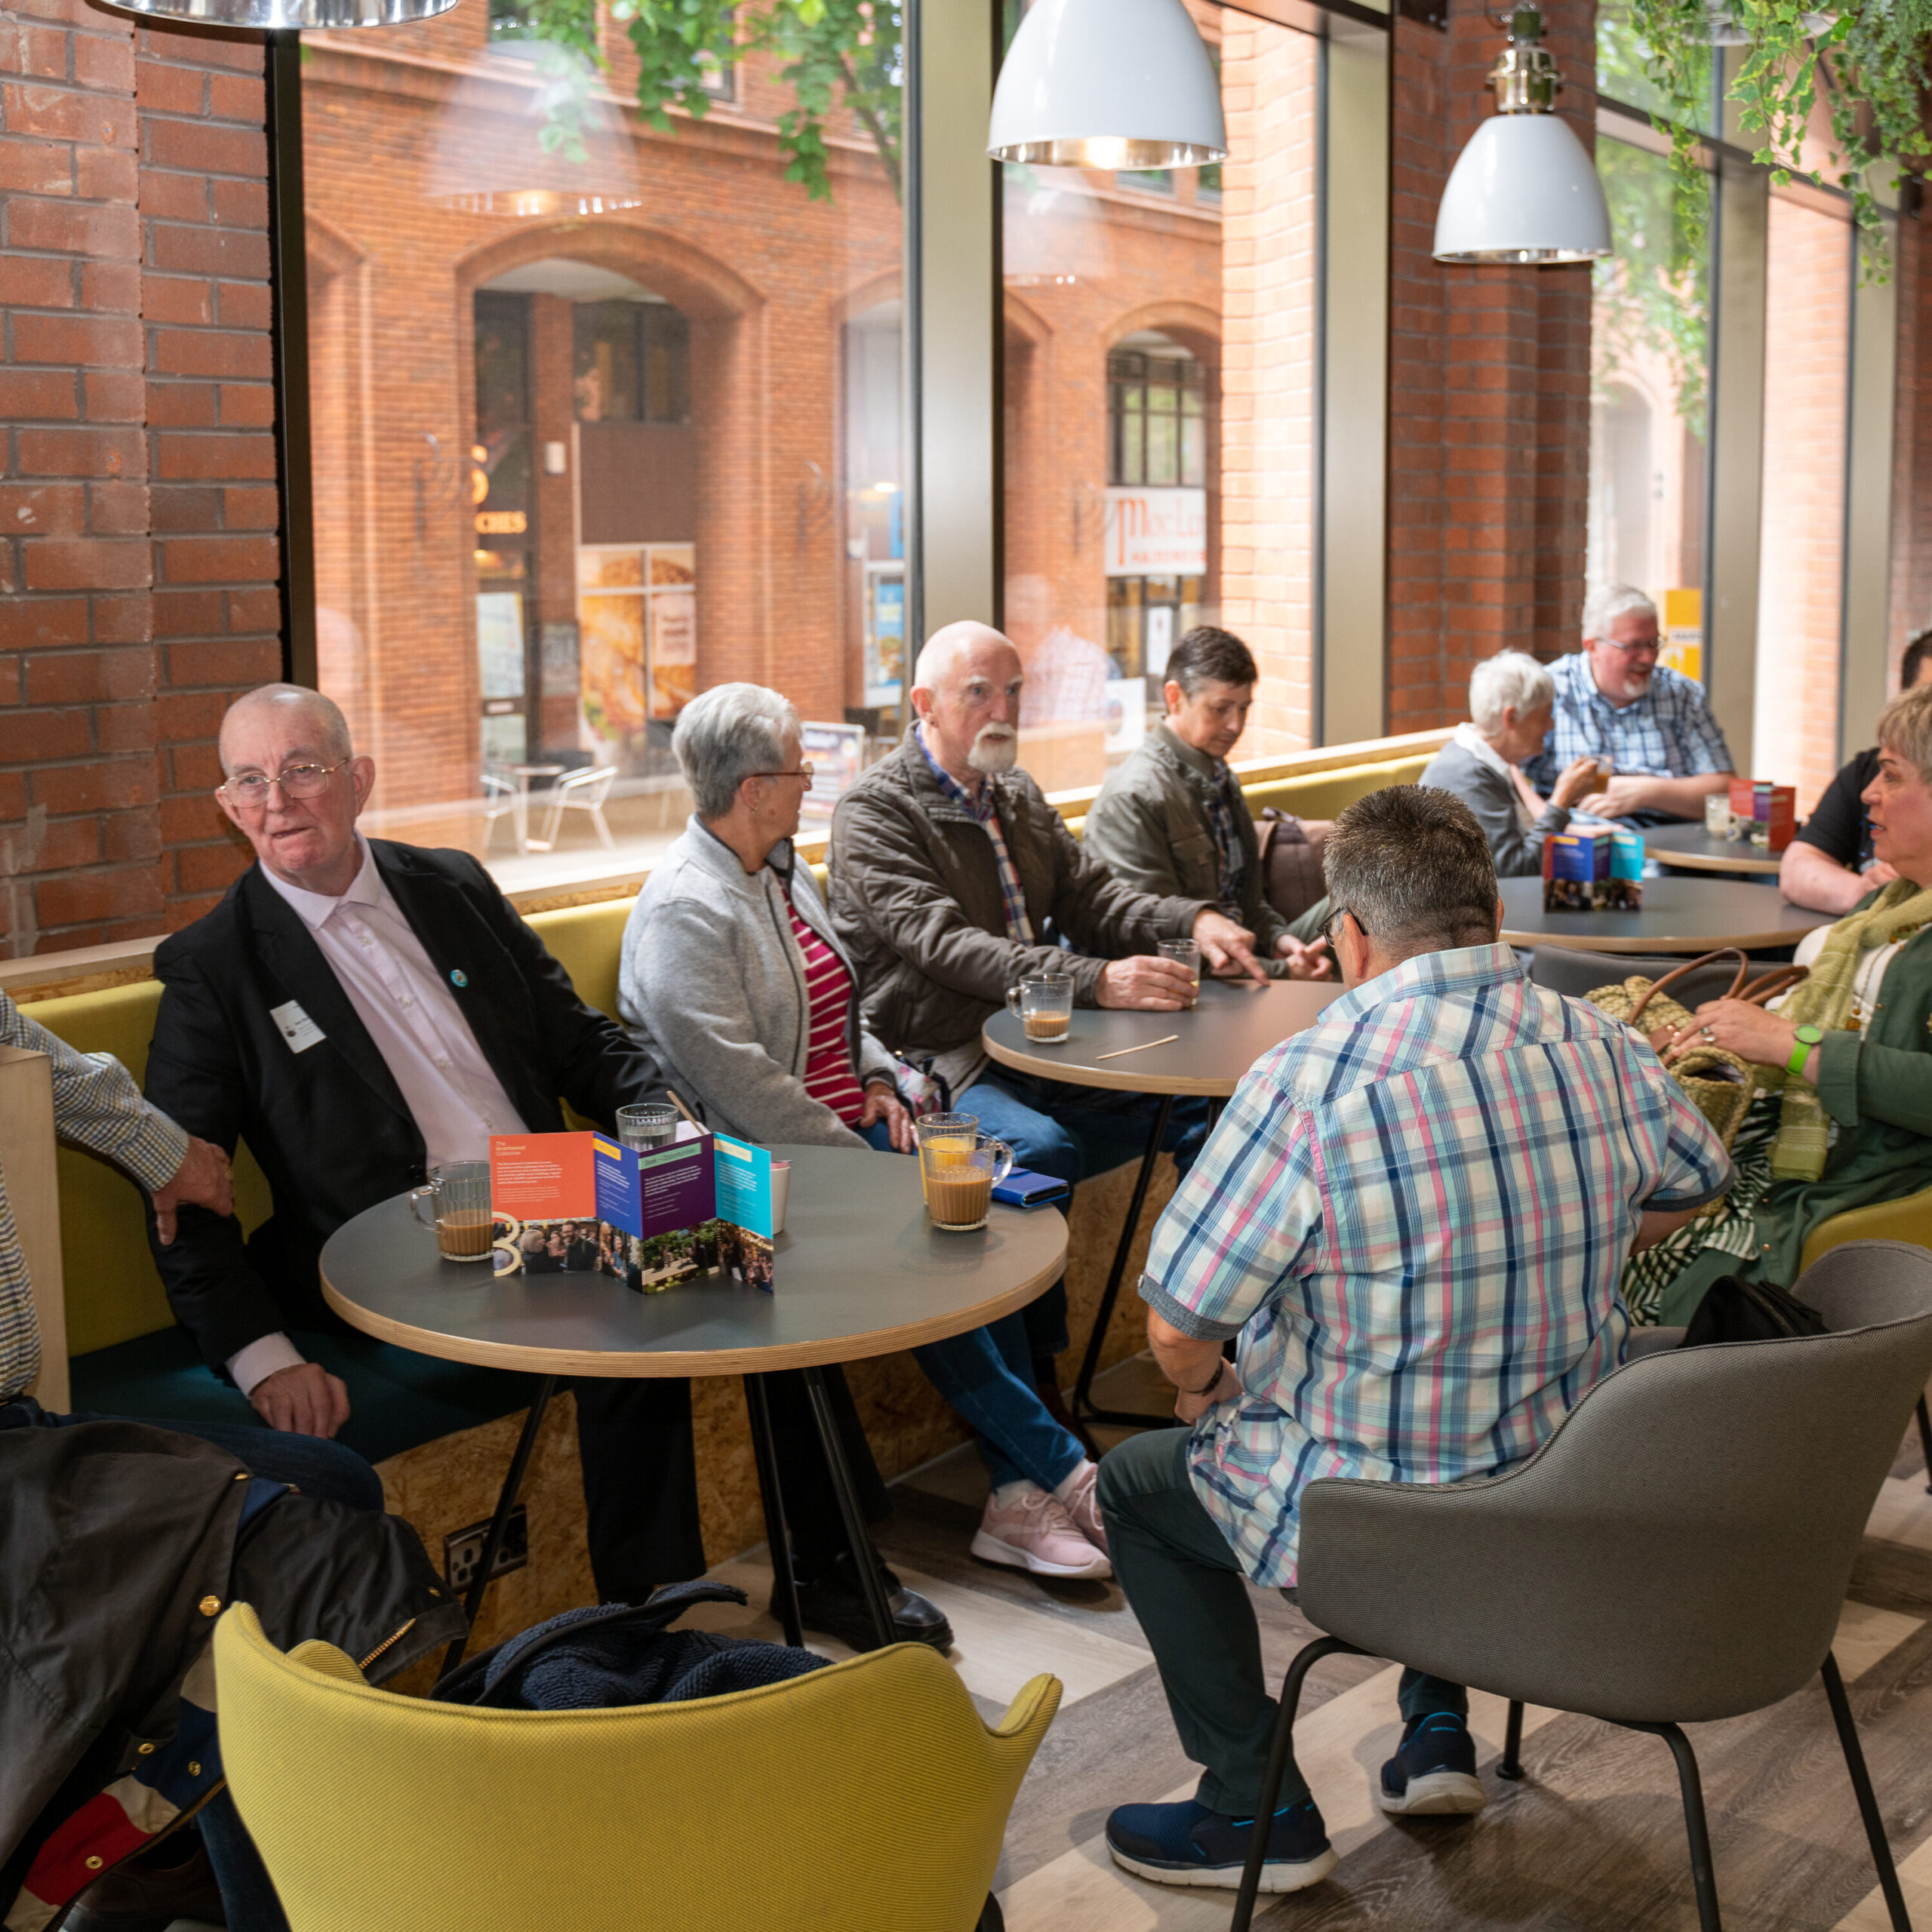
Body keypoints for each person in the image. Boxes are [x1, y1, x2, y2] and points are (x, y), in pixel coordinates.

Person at [143, 682, 946, 1655]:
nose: (278, 799)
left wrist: (666, 1128)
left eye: (303, 770)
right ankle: (640, 1620)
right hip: (410, 1240)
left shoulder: (450, 887)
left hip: (553, 1186)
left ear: (355, 779)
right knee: (648, 1297)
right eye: (250, 780)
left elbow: (581, 1042)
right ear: (228, 806)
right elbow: (182, 1189)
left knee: (759, 1232)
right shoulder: (214, 965)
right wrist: (260, 1355)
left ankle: (828, 1561)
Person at [1096, 786, 1730, 1894]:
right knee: (1467, 1404)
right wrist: (1569, 1248)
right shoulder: (1599, 1041)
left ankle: (1253, 1810)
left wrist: (1206, 1396)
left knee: (1137, 1490)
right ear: (1486, 910)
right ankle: (1436, 1725)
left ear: (1348, 936)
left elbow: (1178, 1327)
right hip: (1560, 1492)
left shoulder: (1311, 1081)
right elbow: (1697, 1181)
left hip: (1376, 1531)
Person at [621, 682, 1114, 1580]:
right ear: (753, 787)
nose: (811, 782)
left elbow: (840, 1005)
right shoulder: (684, 910)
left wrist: (883, 1080)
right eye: (798, 769)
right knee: (922, 1249)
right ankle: (1060, 1473)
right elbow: (745, 1089)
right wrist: (865, 1162)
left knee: (978, 1227)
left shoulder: (779, 869)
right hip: (759, 1173)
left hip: (847, 1139)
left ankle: (1014, 1494)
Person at [0, 986, 404, 1932]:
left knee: (330, 1485)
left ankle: (178, 1860)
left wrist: (162, 1149)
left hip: (21, 1423)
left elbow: (25, 1046)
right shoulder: (213, 964)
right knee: (265, 1540)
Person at [829, 622, 1267, 1398]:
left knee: (1217, 1109)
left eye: (1014, 691)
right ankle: (1044, 1390)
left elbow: (1091, 895)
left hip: (1049, 1045)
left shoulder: (1016, 793)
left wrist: (1189, 920)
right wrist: (1096, 980)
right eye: (979, 693)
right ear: (924, 703)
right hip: (949, 1059)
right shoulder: (874, 811)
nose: (1003, 709)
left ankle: (1213, 1353)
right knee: (1037, 1151)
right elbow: (947, 945)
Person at [1628, 681, 1932, 1325]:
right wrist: (1737, 1035)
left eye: (1891, 775)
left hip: (1858, 1183)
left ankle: (1647, 1397)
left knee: (1630, 1235)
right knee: (1619, 1202)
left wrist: (1788, 1045)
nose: (1869, 794)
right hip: (1818, 1152)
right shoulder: (1891, 902)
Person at [1081, 625, 1338, 976]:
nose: (1235, 725)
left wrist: (1280, 939)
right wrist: (1280, 972)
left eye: (1244, 709)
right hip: (1194, 975)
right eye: (1220, 709)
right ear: (1174, 698)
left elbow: (1247, 902)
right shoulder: (1132, 798)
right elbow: (1160, 940)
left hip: (1249, 954)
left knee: (1369, 904)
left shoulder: (1219, 775)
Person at [1528, 584, 1736, 826]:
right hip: (1577, 841)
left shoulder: (1682, 695)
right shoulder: (1550, 690)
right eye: (1634, 647)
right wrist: (1547, 820)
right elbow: (1505, 768)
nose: (1648, 658)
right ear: (1592, 646)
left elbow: (1724, 791)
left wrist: (1646, 792)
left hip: (1667, 844)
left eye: (1653, 644)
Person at [1780, 629, 1932, 914]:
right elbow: (1799, 865)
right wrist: (1862, 892)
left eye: (1892, 778)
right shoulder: (1866, 771)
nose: (1870, 795)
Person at [1420, 651, 1606, 874]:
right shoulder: (1467, 777)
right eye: (1545, 715)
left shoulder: (1486, 761)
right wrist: (1561, 802)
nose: (1551, 725)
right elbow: (1516, 873)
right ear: (1511, 718)